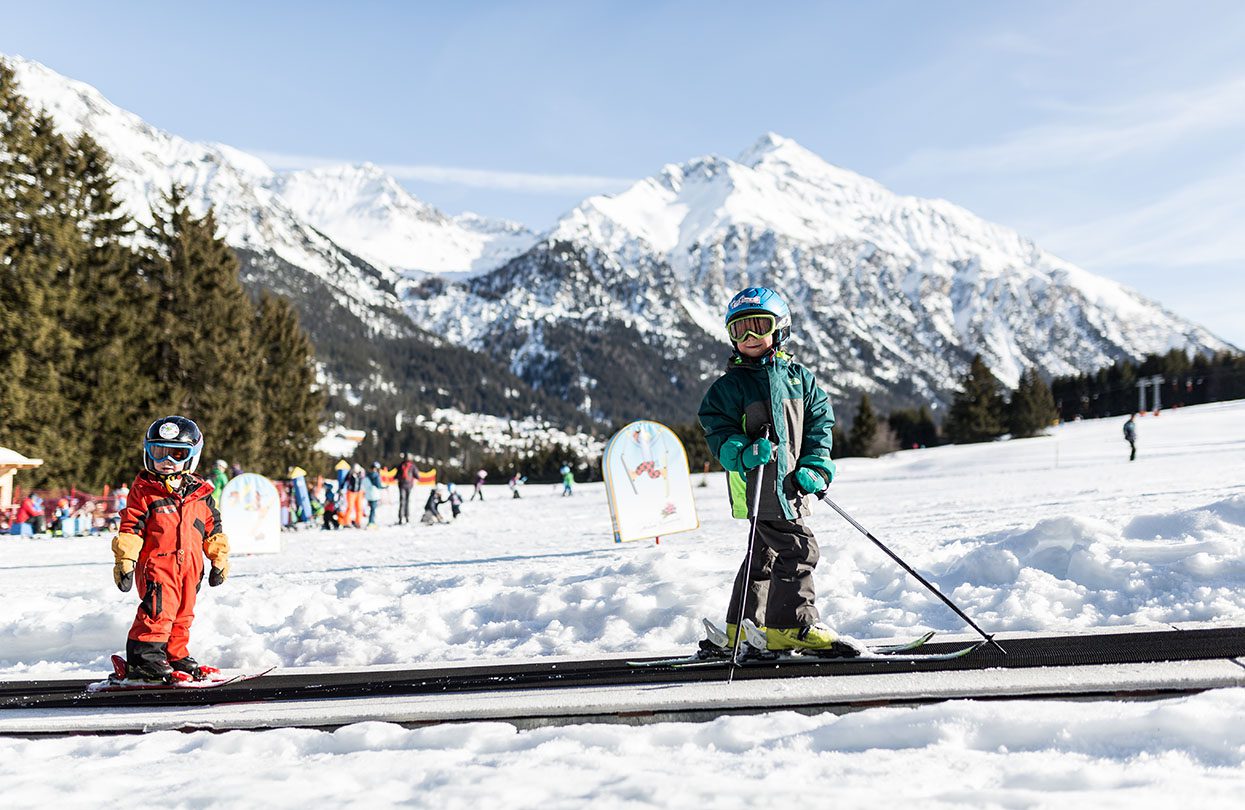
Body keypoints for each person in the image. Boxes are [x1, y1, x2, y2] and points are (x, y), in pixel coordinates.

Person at [696, 286, 851, 657]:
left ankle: (741, 628)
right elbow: (717, 429)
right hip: (759, 483)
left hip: (791, 483)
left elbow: (820, 425)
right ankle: (791, 627)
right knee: (798, 547)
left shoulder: (800, 378)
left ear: (780, 328)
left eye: (758, 327)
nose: (749, 338)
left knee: (763, 554)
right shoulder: (729, 387)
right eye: (739, 330)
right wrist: (743, 451)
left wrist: (816, 465)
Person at [109, 416, 230, 682]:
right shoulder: (144, 491)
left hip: (190, 566)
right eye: (159, 452)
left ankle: (175, 655)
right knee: (157, 612)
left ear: (192, 457)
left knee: (183, 613)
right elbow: (131, 527)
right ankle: (145, 660)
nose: (167, 461)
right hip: (157, 566)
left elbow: (213, 527)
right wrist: (126, 560)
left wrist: (218, 558)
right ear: (147, 453)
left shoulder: (200, 492)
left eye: (177, 454)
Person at [363, 461, 386, 529]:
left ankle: (371, 522)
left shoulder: (367, 475)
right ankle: (371, 523)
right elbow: (378, 485)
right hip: (374, 494)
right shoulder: (376, 475)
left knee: (371, 509)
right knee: (373, 509)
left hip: (368, 494)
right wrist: (384, 487)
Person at [342, 463, 366, 528]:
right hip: (351, 492)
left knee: (359, 508)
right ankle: (346, 522)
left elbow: (364, 480)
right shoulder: (350, 474)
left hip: (359, 492)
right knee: (350, 507)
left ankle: (358, 522)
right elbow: (344, 481)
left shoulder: (361, 474)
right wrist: (341, 488)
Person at [396, 453, 416, 524]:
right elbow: (417, 475)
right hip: (409, 486)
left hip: (401, 485)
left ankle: (400, 518)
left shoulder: (400, 465)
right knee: (407, 501)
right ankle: (407, 517)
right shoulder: (412, 466)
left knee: (402, 502)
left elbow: (396, 475)